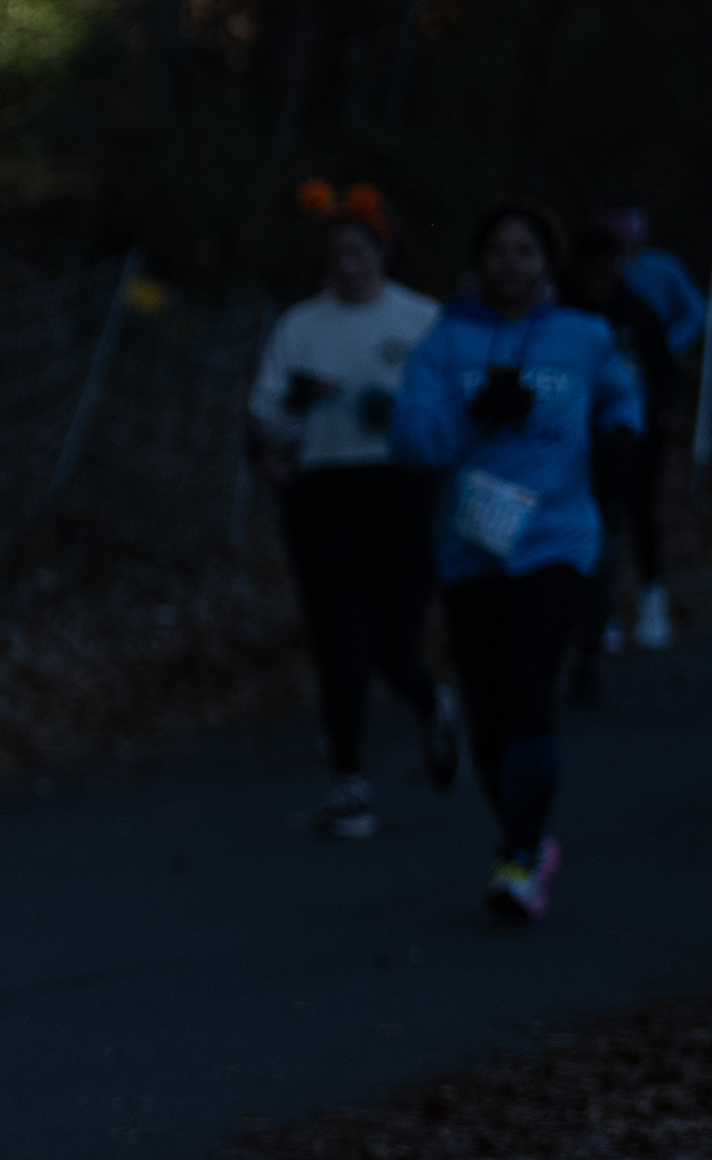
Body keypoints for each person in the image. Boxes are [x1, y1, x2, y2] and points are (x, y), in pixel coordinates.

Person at [392, 201, 642, 924]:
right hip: (472, 544)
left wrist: (620, 439)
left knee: (533, 689)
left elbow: (623, 395)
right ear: (477, 262)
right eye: (498, 251)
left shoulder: (583, 335)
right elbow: (410, 440)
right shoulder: (444, 343)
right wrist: (473, 416)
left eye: (526, 251)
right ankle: (522, 836)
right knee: (490, 704)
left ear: (546, 262)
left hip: (555, 538)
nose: (511, 264)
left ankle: (523, 855)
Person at [249, 182, 454, 838]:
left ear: (383, 253)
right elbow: (265, 413)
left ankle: (431, 703)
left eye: (360, 252)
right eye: (337, 254)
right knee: (338, 638)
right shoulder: (300, 325)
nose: (348, 265)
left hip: (398, 487)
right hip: (322, 491)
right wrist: (295, 409)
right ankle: (349, 782)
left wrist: (404, 417)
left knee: (394, 644)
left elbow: (454, 406)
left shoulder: (421, 320)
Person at [561, 223, 676, 689]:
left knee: (636, 514)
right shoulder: (565, 313)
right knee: (590, 526)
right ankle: (596, 620)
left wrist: (656, 415)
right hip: (575, 438)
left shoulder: (637, 312)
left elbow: (663, 371)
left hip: (633, 437)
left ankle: (651, 601)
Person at [590, 205, 702, 649]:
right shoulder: (588, 300)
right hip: (595, 418)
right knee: (602, 513)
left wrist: (667, 351)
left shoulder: (658, 279)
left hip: (643, 413)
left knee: (640, 507)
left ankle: (652, 602)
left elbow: (697, 311)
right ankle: (605, 613)